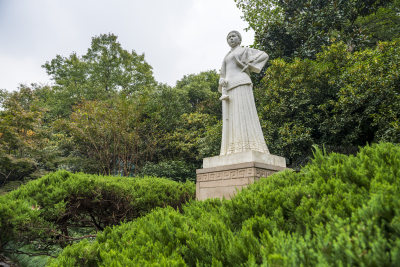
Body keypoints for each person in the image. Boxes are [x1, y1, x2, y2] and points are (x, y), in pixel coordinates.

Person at [219, 30, 270, 155]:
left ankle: (250, 145)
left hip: (241, 83)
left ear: (239, 39)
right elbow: (222, 74)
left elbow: (264, 55)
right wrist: (221, 80)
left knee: (244, 113)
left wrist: (250, 65)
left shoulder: (244, 50)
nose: (231, 38)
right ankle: (232, 149)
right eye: (229, 37)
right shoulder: (226, 56)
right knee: (231, 118)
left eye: (233, 36)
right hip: (229, 88)